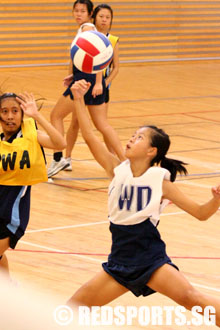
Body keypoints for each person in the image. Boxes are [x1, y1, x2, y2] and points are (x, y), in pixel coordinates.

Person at [67, 80, 220, 326]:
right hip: (119, 261)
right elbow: (88, 135)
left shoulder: (160, 182)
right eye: (132, 135)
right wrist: (78, 98)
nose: (130, 139)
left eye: (139, 138)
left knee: (193, 299)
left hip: (150, 260)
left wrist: (216, 199)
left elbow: (201, 214)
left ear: (151, 151)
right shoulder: (116, 169)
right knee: (72, 309)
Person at [48, 0, 125, 177]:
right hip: (84, 78)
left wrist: (99, 82)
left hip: (85, 82)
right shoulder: (85, 29)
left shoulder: (87, 29)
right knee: (100, 124)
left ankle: (59, 158)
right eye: (76, 11)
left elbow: (97, 56)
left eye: (82, 11)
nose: (78, 14)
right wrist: (74, 75)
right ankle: (124, 162)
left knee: (56, 115)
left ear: (90, 14)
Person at [0, 92, 66, 280]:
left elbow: (60, 143)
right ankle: (8, 291)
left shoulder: (32, 135)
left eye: (15, 111)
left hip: (11, 214)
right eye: (5, 111)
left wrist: (37, 115)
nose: (10, 116)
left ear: (22, 114)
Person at [65, 3, 120, 158]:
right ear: (95, 17)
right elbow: (73, 59)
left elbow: (116, 67)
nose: (104, 20)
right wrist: (71, 76)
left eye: (107, 17)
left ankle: (114, 156)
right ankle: (66, 157)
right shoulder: (88, 34)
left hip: (100, 86)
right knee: (76, 122)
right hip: (84, 83)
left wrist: (104, 83)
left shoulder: (112, 40)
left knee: (102, 125)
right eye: (101, 16)